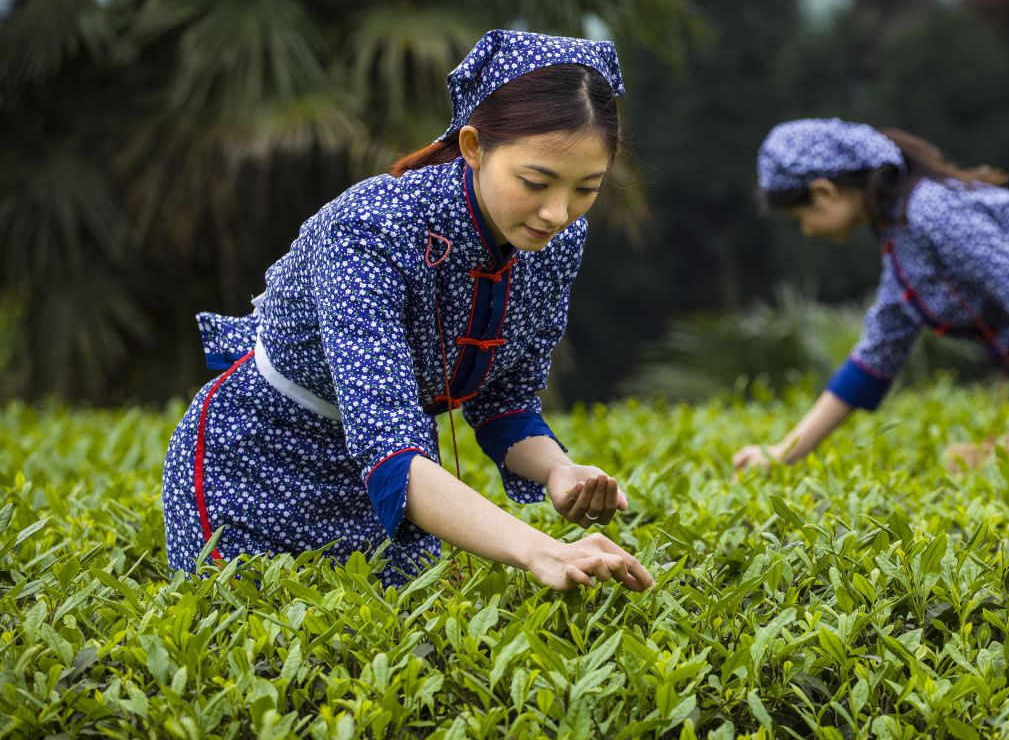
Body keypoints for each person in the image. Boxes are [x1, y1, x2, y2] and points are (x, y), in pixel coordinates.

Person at [163, 30, 654, 592]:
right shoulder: (369, 229)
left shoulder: (556, 241)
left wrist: (557, 472)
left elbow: (504, 402)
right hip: (257, 469)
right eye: (535, 182)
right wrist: (541, 550)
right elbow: (389, 442)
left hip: (402, 483)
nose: (556, 211)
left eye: (586, 189)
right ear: (473, 146)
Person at [732, 118, 1009, 476]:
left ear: (824, 192)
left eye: (800, 217)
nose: (807, 230)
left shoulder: (931, 210)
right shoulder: (901, 242)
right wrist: (782, 454)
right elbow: (873, 361)